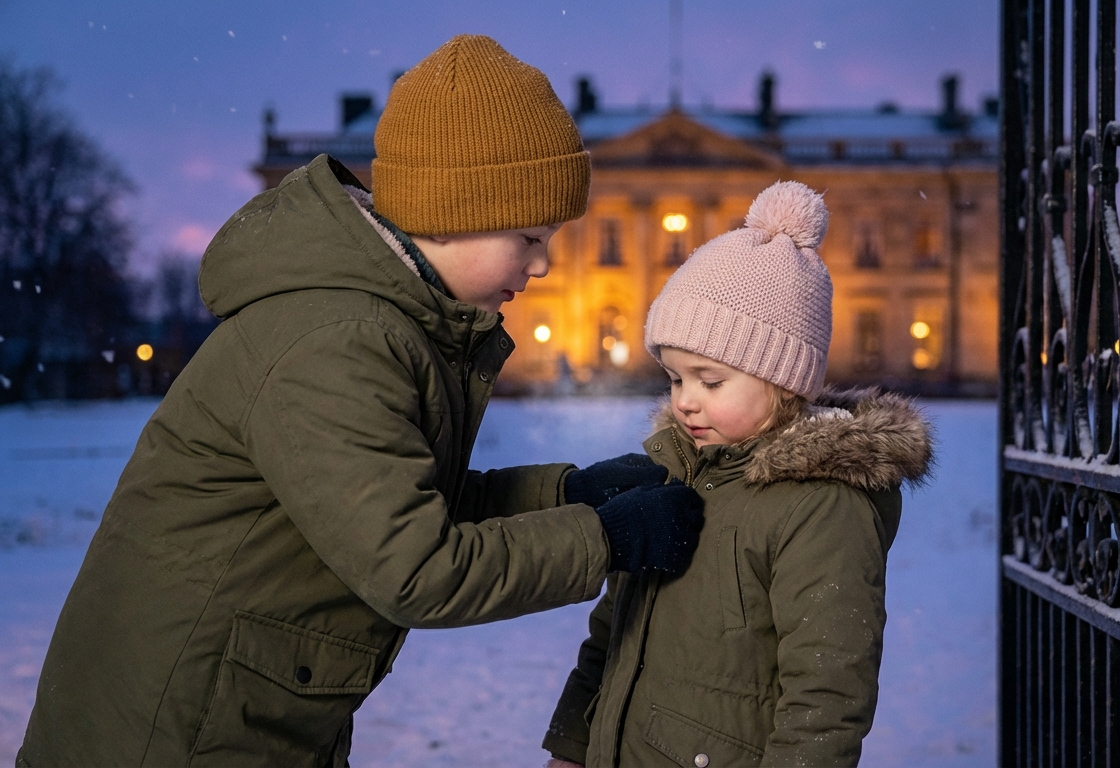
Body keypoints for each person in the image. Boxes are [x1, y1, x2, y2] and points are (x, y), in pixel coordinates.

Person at [17, 35, 703, 768]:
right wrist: (604, 540)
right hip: (172, 734)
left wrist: (567, 493)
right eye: (530, 236)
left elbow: (395, 502)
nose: (542, 265)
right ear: (453, 211)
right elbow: (417, 568)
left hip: (230, 714)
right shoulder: (339, 338)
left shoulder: (377, 319)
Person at [542, 181, 934, 767]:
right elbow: (611, 632)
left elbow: (826, 695)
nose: (686, 402)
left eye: (710, 381)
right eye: (674, 379)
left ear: (782, 379)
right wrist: (573, 745)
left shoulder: (823, 507)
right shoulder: (672, 474)